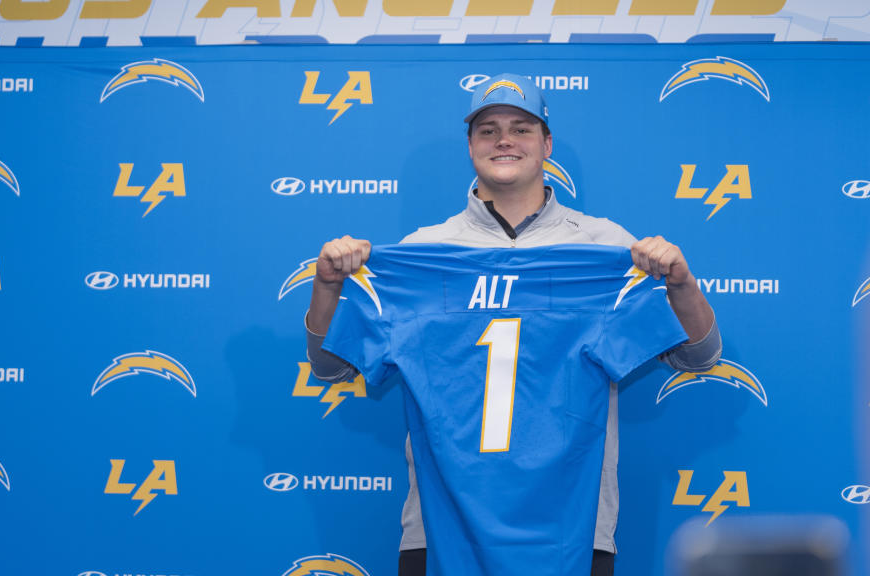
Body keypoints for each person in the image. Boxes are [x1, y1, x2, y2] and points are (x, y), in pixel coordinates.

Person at [304, 73, 721, 575]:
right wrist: (327, 285)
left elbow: (699, 356)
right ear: (470, 145)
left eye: (521, 128)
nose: (504, 139)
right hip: (438, 527)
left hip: (572, 524)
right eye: (488, 129)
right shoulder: (423, 252)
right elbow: (328, 365)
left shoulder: (605, 248)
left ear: (547, 143)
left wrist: (680, 283)